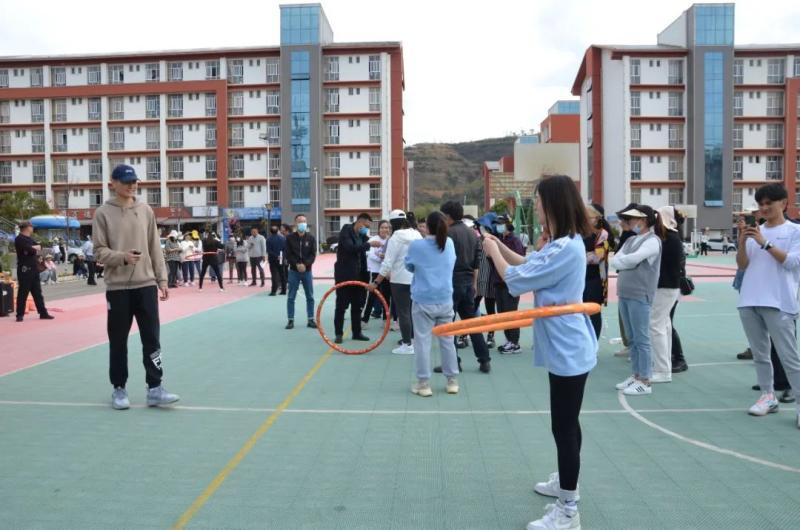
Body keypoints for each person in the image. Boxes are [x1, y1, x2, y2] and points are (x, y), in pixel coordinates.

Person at [481, 175, 597, 530]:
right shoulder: (561, 243)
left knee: (563, 427)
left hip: (568, 346)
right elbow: (526, 264)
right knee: (567, 423)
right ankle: (566, 482)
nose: (537, 207)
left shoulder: (565, 248)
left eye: (540, 201)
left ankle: (568, 509)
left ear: (554, 204)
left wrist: (492, 252)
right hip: (564, 343)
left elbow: (516, 281)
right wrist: (499, 246)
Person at [92, 164, 178, 410]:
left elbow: (154, 247)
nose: (132, 186)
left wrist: (162, 279)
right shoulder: (102, 213)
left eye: (134, 182)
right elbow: (98, 251)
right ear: (113, 183)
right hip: (118, 288)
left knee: (152, 339)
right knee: (118, 341)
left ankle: (155, 388)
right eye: (127, 181)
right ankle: (119, 388)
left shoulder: (145, 210)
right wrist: (122, 257)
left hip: (146, 285)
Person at [735, 183, 800, 427]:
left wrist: (765, 243)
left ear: (783, 203)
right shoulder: (756, 232)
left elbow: (792, 262)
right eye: (760, 204)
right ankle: (767, 396)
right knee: (761, 355)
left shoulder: (794, 231)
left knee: (789, 357)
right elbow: (743, 265)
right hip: (750, 300)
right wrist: (743, 241)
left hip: (779, 302)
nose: (763, 208)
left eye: (768, 203)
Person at [610, 205, 665, 396]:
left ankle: (645, 380)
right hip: (625, 294)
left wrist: (622, 261)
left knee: (641, 339)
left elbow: (631, 260)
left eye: (634, 219)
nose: (630, 222)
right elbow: (616, 260)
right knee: (632, 338)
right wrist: (622, 261)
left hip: (640, 294)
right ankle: (636, 374)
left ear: (644, 220)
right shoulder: (631, 240)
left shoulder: (653, 241)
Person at [404, 211, 458, 397]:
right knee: (448, 341)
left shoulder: (417, 245)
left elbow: (409, 266)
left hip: (423, 299)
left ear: (427, 226)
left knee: (422, 342)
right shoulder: (449, 243)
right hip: (445, 298)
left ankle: (424, 383)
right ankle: (452, 381)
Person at [439, 200, 492, 373]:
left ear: (447, 216)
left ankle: (453, 362)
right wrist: (474, 283)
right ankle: (484, 359)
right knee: (472, 324)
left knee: (449, 324)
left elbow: (443, 261)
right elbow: (477, 261)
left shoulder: (448, 234)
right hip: (468, 282)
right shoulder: (472, 233)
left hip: (452, 282)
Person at [370, 210, 422, 354]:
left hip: (399, 280)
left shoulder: (395, 238)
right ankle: (415, 341)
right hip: (416, 279)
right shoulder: (417, 235)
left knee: (403, 312)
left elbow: (387, 263)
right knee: (414, 312)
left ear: (392, 224)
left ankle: (407, 344)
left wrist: (376, 282)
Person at [333, 213, 380, 344]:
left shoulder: (362, 236)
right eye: (366, 226)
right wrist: (369, 244)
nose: (366, 229)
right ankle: (339, 333)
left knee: (357, 306)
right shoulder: (346, 230)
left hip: (360, 276)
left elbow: (372, 242)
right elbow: (350, 248)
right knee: (341, 306)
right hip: (345, 276)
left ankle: (357, 332)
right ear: (359, 222)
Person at [649, 206, 684, 383]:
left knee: (656, 325)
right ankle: (664, 366)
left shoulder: (669, 239)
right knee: (664, 325)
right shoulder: (671, 237)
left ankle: (662, 369)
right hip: (668, 287)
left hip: (665, 287)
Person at [492, 214, 526, 354]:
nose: (498, 226)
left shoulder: (515, 241)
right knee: (502, 312)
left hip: (510, 282)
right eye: (497, 224)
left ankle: (515, 343)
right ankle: (509, 340)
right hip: (499, 281)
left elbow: (517, 260)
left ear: (508, 225)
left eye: (501, 223)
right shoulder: (500, 239)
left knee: (511, 312)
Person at [583, 204, 614, 339]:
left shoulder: (603, 234)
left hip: (596, 278)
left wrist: (581, 256)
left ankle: (594, 342)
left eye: (588, 217)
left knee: (594, 312)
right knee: (581, 311)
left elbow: (598, 257)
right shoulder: (581, 233)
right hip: (582, 277)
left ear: (596, 218)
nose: (585, 219)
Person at [14, 221, 54, 322]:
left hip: (34, 269)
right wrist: (33, 248)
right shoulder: (19, 238)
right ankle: (19, 315)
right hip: (24, 270)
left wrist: (33, 248)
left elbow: (39, 247)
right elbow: (30, 249)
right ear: (27, 227)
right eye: (31, 226)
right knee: (23, 293)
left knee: (37, 293)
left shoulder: (29, 239)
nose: (32, 228)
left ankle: (43, 313)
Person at [613, 206, 637, 358]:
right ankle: (629, 344)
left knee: (633, 316)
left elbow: (626, 259)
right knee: (624, 314)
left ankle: (635, 347)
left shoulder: (634, 236)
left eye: (622, 220)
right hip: (624, 278)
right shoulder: (626, 235)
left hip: (634, 281)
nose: (619, 223)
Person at [285, 215, 317, 329]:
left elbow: (313, 254)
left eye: (304, 221)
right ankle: (290, 320)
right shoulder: (289, 238)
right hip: (294, 271)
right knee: (291, 297)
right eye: (299, 221)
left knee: (310, 296)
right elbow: (288, 254)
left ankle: (310, 319)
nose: (302, 223)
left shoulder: (311, 238)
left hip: (307, 272)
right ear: (295, 223)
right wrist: (297, 264)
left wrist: (305, 264)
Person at [474, 213, 499, 349]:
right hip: (478, 278)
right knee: (472, 306)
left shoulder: (496, 241)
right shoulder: (477, 240)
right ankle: (466, 333)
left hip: (491, 279)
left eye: (483, 226)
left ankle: (491, 335)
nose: (481, 229)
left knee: (490, 308)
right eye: (480, 226)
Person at [362, 220, 391, 325]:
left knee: (386, 297)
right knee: (372, 296)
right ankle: (365, 320)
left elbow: (392, 257)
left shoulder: (391, 240)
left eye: (386, 227)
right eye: (382, 227)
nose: (384, 229)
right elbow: (370, 255)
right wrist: (381, 257)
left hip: (386, 273)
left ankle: (385, 320)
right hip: (375, 271)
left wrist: (385, 258)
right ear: (379, 229)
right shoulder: (373, 239)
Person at [267, 225, 287, 296]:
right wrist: (281, 256)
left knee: (274, 275)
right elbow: (285, 249)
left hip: (273, 259)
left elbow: (269, 250)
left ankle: (274, 291)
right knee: (282, 274)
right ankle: (284, 290)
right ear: (278, 230)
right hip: (281, 258)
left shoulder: (269, 239)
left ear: (270, 231)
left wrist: (276, 256)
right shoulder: (283, 238)